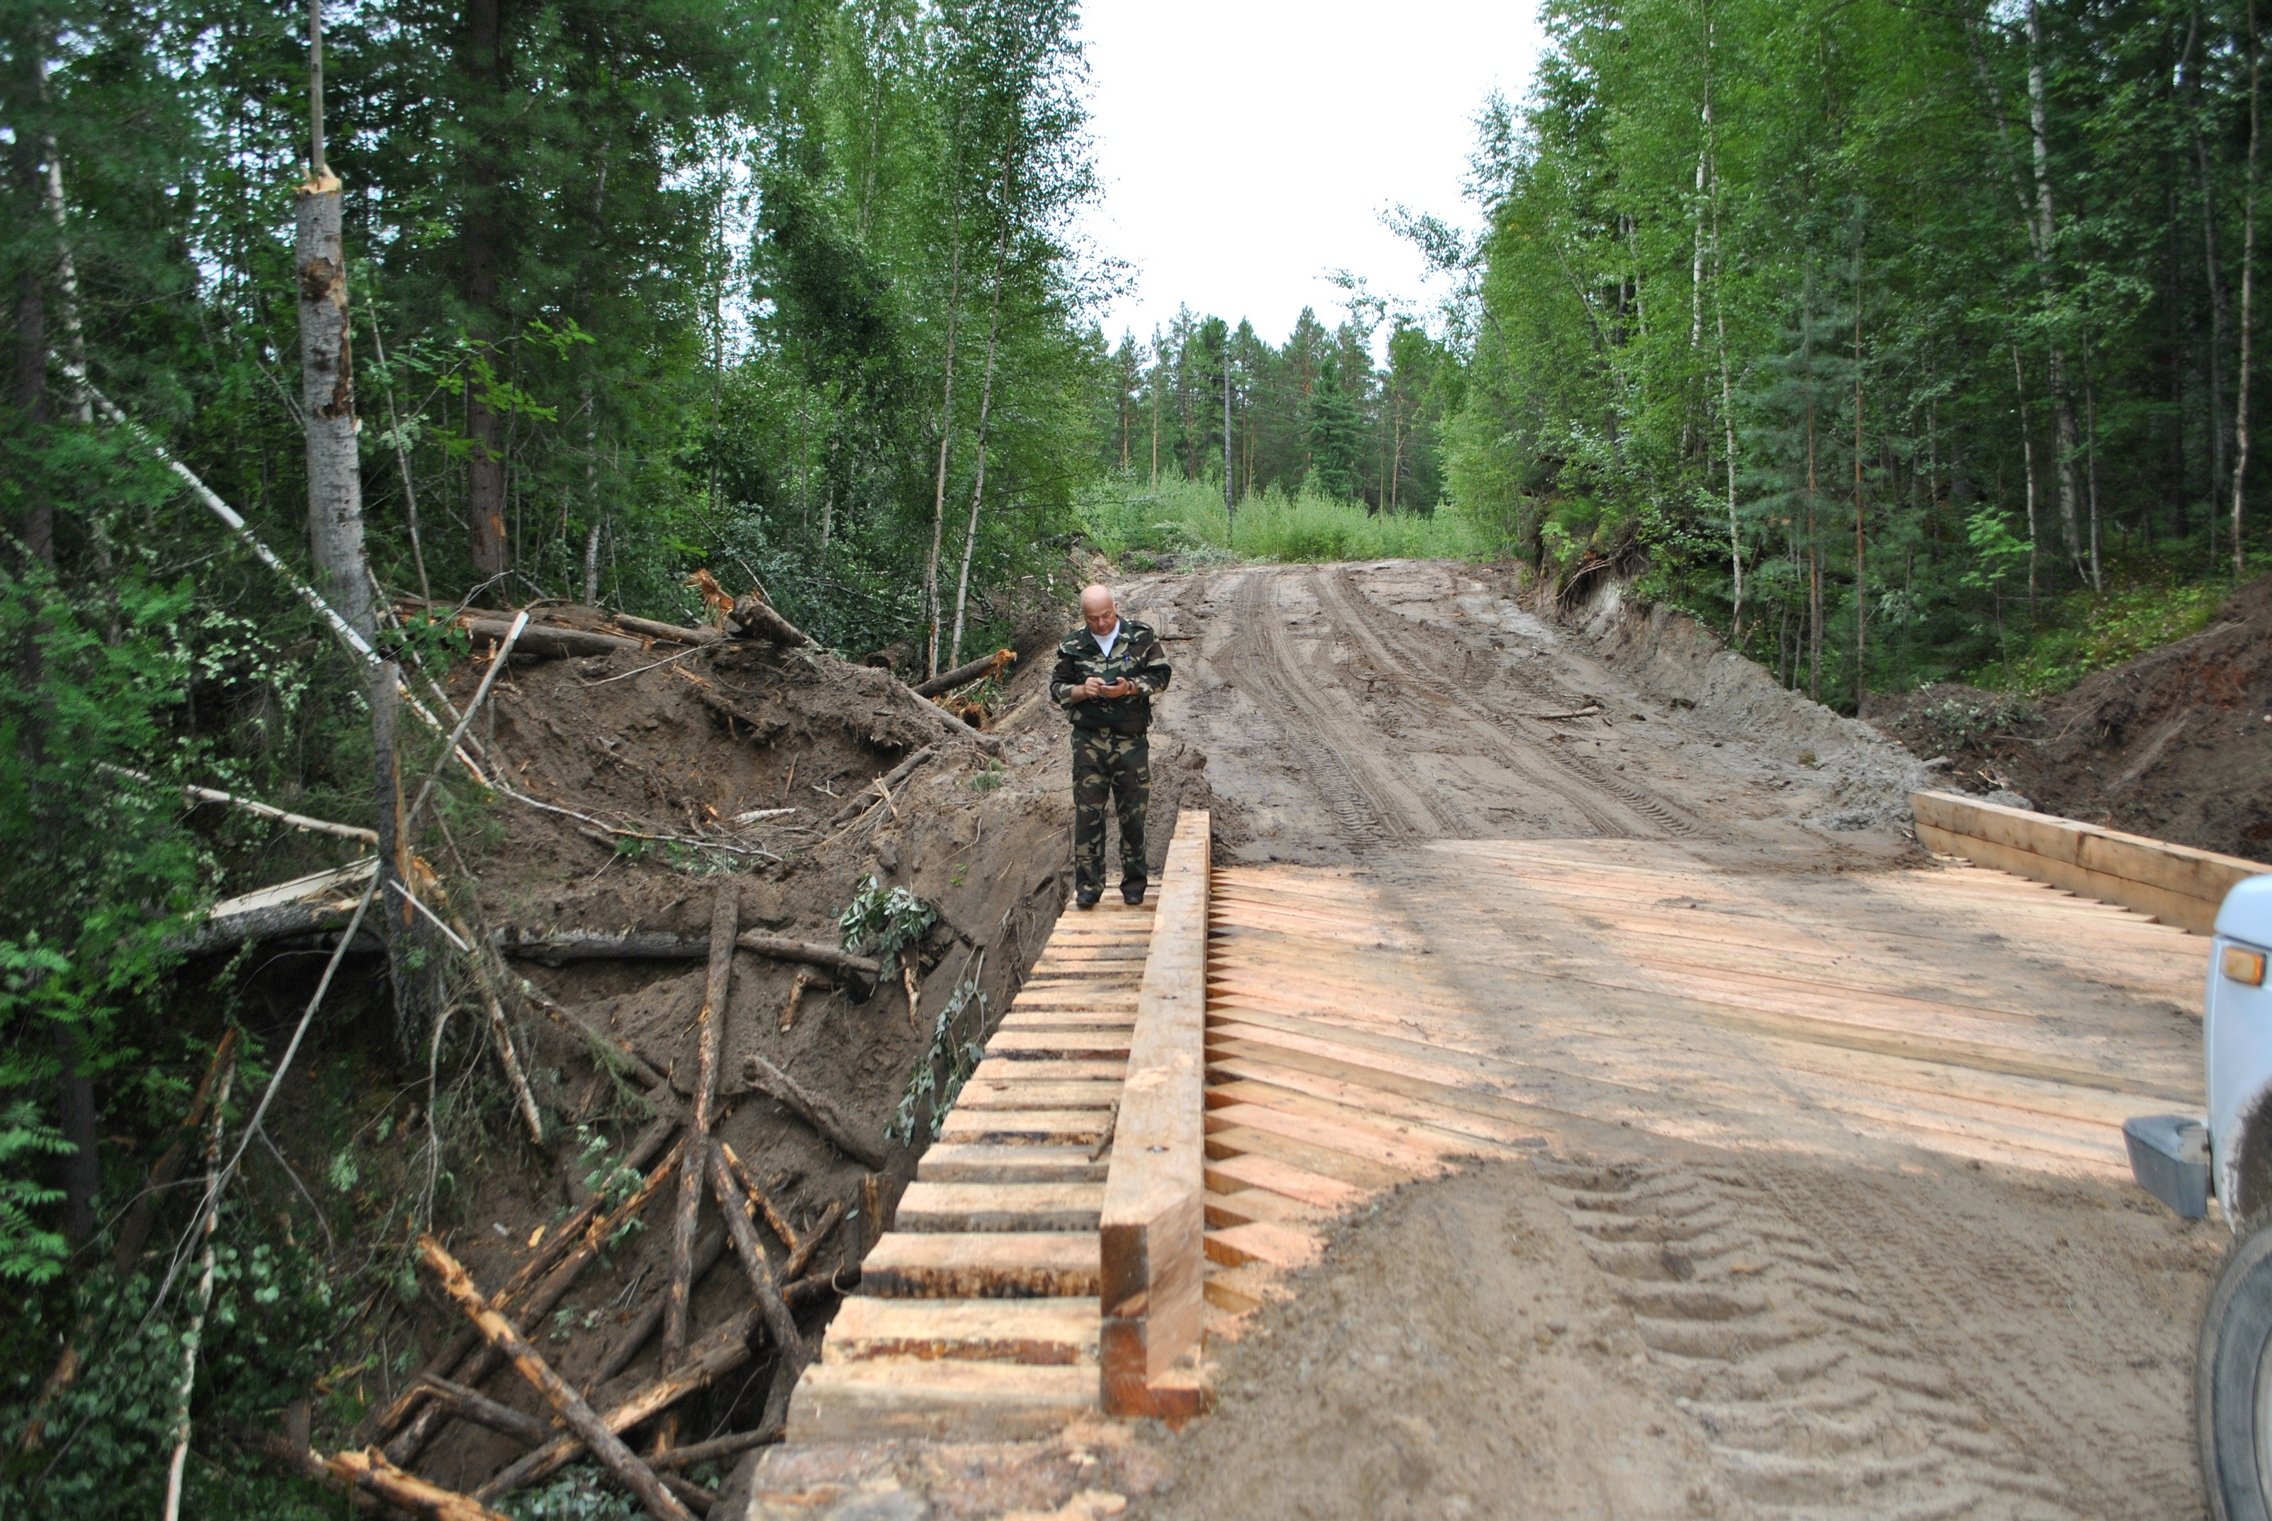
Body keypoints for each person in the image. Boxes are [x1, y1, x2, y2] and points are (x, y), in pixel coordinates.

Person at [1049, 584, 1172, 908]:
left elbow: (1160, 676)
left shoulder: (1140, 636)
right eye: (1094, 619)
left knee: (1133, 815)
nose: (1102, 624)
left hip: (1130, 742)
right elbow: (1056, 688)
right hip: (1089, 743)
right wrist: (1080, 690)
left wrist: (1130, 687)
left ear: (1115, 607)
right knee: (1088, 816)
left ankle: (1134, 884)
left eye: (1107, 615)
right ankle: (1088, 887)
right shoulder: (1073, 645)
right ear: (1084, 617)